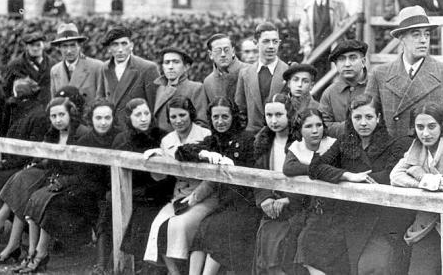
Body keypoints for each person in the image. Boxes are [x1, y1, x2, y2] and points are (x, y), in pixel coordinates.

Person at [302, 96, 413, 274]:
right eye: (357, 118)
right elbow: (315, 168)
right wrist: (347, 176)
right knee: (314, 253)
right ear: (350, 119)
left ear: (378, 118)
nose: (363, 123)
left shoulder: (394, 145)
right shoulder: (345, 143)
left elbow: (390, 176)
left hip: (379, 222)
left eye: (369, 117)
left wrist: (357, 179)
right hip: (348, 217)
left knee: (370, 266)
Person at [17, 99, 120, 273]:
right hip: (88, 189)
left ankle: (42, 254)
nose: (103, 122)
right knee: (48, 203)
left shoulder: (119, 136)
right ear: (91, 119)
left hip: (112, 191)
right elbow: (80, 174)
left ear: (113, 119)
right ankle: (37, 253)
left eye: (107, 118)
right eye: (98, 118)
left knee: (95, 207)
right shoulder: (86, 140)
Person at [175, 97, 260, 275]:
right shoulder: (214, 140)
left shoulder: (247, 138)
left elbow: (254, 172)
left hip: (246, 205)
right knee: (204, 227)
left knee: (218, 229)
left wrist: (233, 163)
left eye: (224, 117)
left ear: (233, 117)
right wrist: (204, 154)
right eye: (215, 117)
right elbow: (181, 151)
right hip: (225, 203)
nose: (220, 122)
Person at [93, 98, 173, 274]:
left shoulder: (162, 136)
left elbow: (169, 176)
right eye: (138, 115)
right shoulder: (122, 139)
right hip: (130, 190)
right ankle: (102, 265)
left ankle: (143, 268)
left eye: (146, 113)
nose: (143, 118)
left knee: (142, 215)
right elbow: (112, 173)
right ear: (129, 118)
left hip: (156, 192)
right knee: (108, 209)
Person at [390, 103, 443, 275]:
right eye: (420, 127)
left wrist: (421, 176)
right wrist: (422, 183)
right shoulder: (416, 148)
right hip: (427, 224)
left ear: (442, 125)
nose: (425, 133)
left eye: (431, 126)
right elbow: (395, 176)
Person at [142, 96, 216, 274]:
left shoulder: (205, 135)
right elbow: (161, 177)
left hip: (204, 195)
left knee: (179, 226)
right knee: (157, 226)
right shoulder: (167, 140)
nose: (178, 120)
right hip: (180, 196)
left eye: (182, 115)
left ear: (191, 114)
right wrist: (157, 160)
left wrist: (196, 196)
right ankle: (174, 272)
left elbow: (213, 177)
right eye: (173, 117)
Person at [366, 6, 443, 138]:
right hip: (393, 154)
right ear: (401, 38)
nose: (423, 40)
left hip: (431, 153)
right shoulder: (380, 74)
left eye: (427, 34)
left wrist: (439, 154)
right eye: (416, 34)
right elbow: (368, 117)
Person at [0, 78, 50, 228]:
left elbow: (31, 152)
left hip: (25, 167)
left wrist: (7, 164)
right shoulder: (21, 113)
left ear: (24, 98)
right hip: (14, 165)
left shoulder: (38, 116)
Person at [253, 94, 308, 275]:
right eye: (269, 115)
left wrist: (288, 199)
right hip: (271, 204)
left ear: (290, 114)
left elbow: (309, 179)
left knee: (283, 248)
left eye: (279, 115)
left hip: (298, 206)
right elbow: (259, 176)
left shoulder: (301, 140)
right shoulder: (263, 141)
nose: (273, 120)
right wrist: (264, 198)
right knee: (266, 239)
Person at [100, 26, 159, 129]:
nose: (120, 49)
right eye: (115, 44)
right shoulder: (105, 68)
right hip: (110, 131)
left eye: (124, 44)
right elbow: (100, 100)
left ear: (131, 45)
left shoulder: (147, 68)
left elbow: (155, 107)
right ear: (109, 48)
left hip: (136, 132)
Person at [298, 0, 354, 81]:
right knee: (316, 77)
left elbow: (347, 21)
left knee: (334, 77)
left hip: (332, 49)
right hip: (315, 50)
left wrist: (343, 23)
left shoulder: (337, 6)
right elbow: (303, 29)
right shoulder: (308, 8)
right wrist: (306, 46)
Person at [235, 22, 288, 131]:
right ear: (256, 43)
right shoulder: (245, 73)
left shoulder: (288, 72)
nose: (271, 46)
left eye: (275, 42)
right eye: (266, 41)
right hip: (252, 138)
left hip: (280, 137)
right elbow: (240, 110)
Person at [319, 40, 368, 137]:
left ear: (363, 62)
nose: (347, 64)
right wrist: (351, 127)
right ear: (336, 65)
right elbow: (323, 126)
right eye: (341, 59)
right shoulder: (329, 93)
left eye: (353, 58)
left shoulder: (377, 86)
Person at [153, 47, 207, 132]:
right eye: (167, 63)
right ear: (162, 67)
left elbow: (201, 123)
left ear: (186, 67)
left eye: (176, 62)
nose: (170, 67)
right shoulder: (159, 89)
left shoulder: (195, 88)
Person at [50, 23, 105, 106]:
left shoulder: (97, 67)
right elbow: (54, 103)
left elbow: (101, 100)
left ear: (80, 46)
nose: (69, 51)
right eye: (65, 46)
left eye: (73, 45)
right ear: (59, 48)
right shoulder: (55, 71)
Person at [3, 32, 55, 106]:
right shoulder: (15, 65)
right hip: (25, 110)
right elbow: (6, 90)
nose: (35, 48)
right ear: (27, 47)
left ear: (43, 45)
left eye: (38, 45)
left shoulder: (52, 64)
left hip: (47, 108)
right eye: (31, 45)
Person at [203, 33, 249, 104]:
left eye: (226, 50)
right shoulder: (208, 82)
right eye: (218, 51)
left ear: (233, 52)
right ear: (210, 54)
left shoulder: (249, 71)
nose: (223, 54)